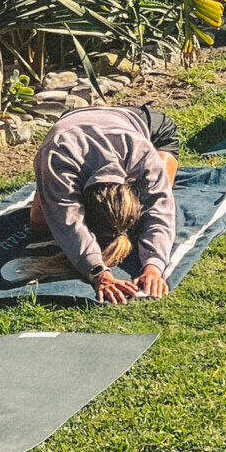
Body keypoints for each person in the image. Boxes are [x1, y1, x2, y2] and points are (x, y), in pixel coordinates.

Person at [20, 104, 181, 303]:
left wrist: (154, 267)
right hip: (74, 122)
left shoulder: (141, 154)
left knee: (159, 191)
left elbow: (160, 209)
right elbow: (68, 223)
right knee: (40, 222)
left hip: (150, 130)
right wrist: (98, 273)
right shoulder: (57, 157)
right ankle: (50, 188)